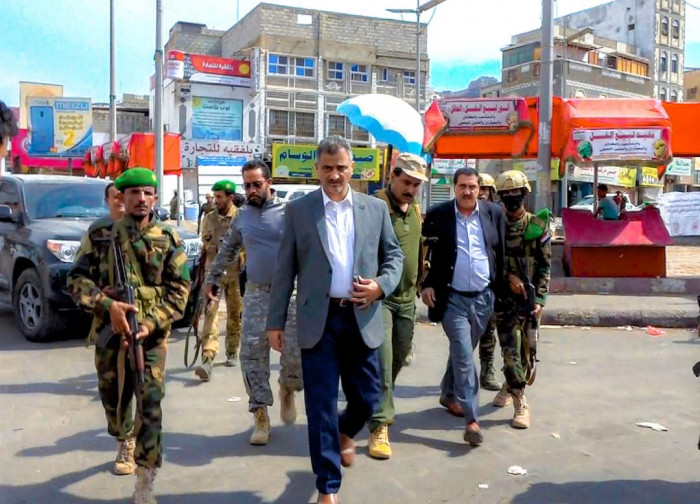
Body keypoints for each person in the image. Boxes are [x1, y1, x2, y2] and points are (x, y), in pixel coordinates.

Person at [266, 136, 403, 504]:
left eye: (341, 167)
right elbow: (285, 269)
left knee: (368, 397)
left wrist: (380, 286)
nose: (335, 175)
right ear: (317, 169)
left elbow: (394, 257)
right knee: (320, 404)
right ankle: (328, 485)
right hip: (319, 320)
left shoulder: (375, 209)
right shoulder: (299, 211)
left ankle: (345, 431)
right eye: (327, 168)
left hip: (361, 316)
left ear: (352, 168)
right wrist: (274, 323)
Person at [68, 168, 191, 504]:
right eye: (134, 192)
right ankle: (123, 436)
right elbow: (76, 280)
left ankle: (145, 479)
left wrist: (150, 322)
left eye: (147, 193)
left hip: (150, 336)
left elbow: (180, 291)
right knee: (114, 398)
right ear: (121, 197)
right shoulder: (101, 234)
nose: (141, 199)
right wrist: (107, 305)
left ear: (155, 197)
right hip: (110, 331)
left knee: (150, 403)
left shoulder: (168, 237)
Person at [204, 161, 302, 446]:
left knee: (296, 352)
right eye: (246, 186)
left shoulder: (290, 212)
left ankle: (287, 387)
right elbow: (228, 250)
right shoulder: (242, 217)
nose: (251, 190)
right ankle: (260, 413)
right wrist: (212, 278)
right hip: (257, 294)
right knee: (252, 354)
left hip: (291, 293)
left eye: (256, 184)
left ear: (269, 182)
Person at [421, 167, 505, 446]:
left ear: (480, 189)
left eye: (472, 187)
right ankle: (472, 419)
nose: (468, 192)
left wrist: (501, 290)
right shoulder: (438, 215)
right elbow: (426, 254)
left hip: (483, 298)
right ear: (454, 187)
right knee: (464, 356)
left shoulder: (493, 213)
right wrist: (426, 284)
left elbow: (500, 253)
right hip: (452, 298)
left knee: (463, 350)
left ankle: (448, 394)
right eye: (462, 186)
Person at [367, 153, 427, 460]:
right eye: (406, 182)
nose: (411, 189)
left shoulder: (414, 209)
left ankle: (371, 398)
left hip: (407, 300)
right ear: (392, 176)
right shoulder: (374, 207)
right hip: (381, 300)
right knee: (384, 362)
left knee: (399, 357)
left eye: (416, 185)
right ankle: (380, 425)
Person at [492, 170, 551, 430]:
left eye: (516, 193)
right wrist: (508, 278)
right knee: (510, 350)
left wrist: (540, 299)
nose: (511, 198)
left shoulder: (537, 226)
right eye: (506, 194)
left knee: (527, 354)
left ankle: (509, 384)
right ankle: (520, 401)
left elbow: (545, 265)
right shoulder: (494, 225)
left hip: (529, 299)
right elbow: (489, 260)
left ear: (525, 194)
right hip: (502, 299)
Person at [195, 180, 244, 381]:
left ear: (231, 197)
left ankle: (232, 350)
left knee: (235, 314)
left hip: (235, 275)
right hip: (212, 275)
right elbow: (205, 246)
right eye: (214, 196)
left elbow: (248, 247)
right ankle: (207, 357)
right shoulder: (208, 218)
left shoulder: (241, 218)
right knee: (210, 314)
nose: (216, 200)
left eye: (220, 197)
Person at [476, 173, 503, 392]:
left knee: (488, 332)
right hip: (465, 286)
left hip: (490, 284)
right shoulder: (464, 214)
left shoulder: (497, 215)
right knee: (462, 338)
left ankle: (487, 371)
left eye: (486, 189)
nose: (482, 193)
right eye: (480, 188)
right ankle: (456, 379)